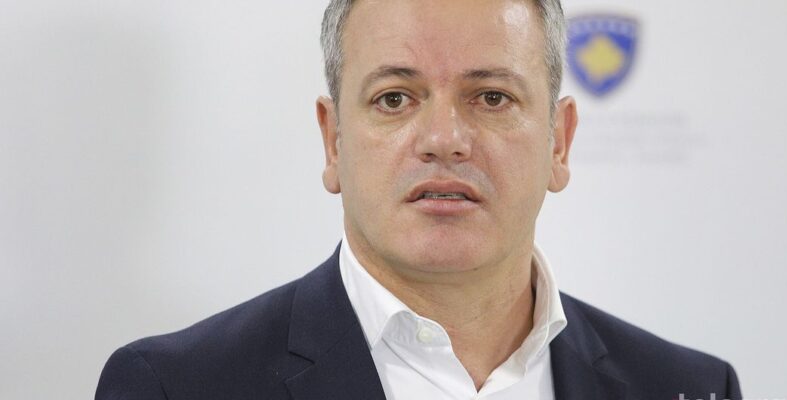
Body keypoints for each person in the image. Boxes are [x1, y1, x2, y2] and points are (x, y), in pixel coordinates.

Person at [96, 0, 743, 399]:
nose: (444, 140)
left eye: (491, 97)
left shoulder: (688, 388)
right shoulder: (175, 387)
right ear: (333, 140)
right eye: (395, 98)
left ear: (559, 142)